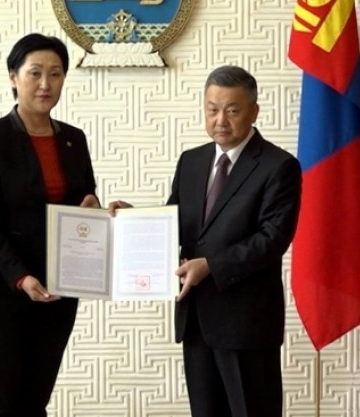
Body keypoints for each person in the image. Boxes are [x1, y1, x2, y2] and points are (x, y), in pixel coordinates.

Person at [110, 65, 302, 417]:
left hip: (246, 324)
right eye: (212, 109)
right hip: (196, 320)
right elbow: (174, 223)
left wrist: (211, 266)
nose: (220, 120)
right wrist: (131, 219)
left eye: (232, 110)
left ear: (254, 111)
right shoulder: (192, 161)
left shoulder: (278, 166)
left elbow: (272, 239)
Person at [0, 33, 101, 417]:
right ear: (14, 77)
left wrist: (95, 209)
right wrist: (20, 276)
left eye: (56, 74)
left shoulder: (74, 139)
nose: (46, 84)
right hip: (3, 287)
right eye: (35, 73)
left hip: (60, 286)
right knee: (4, 404)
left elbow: (85, 201)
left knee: (35, 401)